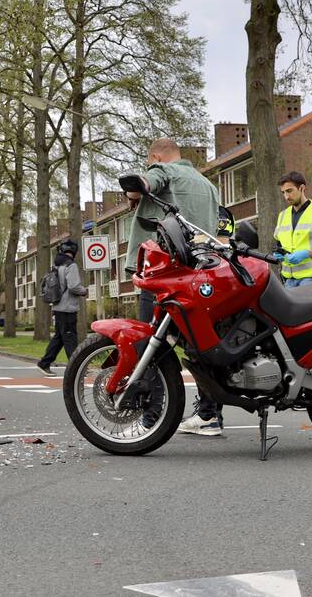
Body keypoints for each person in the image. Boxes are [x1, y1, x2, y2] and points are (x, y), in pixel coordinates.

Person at [123, 138, 222, 435]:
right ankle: (209, 415)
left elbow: (149, 179)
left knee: (151, 345)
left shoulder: (164, 172)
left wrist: (135, 188)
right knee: (200, 345)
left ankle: (150, 419)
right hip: (202, 275)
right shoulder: (208, 186)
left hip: (164, 272)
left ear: (155, 157)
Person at [36, 240, 88, 377]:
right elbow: (74, 286)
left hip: (58, 306)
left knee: (59, 338)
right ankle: (76, 369)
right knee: (70, 338)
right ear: (74, 251)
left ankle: (44, 363)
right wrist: (84, 290)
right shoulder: (71, 266)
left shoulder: (57, 265)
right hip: (68, 308)